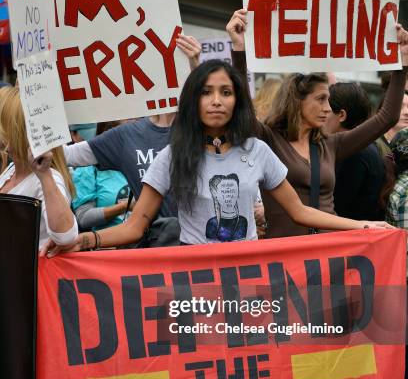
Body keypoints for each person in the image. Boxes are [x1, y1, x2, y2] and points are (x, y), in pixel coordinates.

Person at [44, 60, 390, 256]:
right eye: (207, 92)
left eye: (226, 92)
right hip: (196, 286)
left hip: (252, 283)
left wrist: (362, 225)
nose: (217, 101)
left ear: (237, 101)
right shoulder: (173, 156)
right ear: (193, 100)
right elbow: (135, 226)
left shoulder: (258, 151)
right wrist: (83, 241)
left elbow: (300, 212)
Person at [226, 8, 408, 239]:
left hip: (328, 253)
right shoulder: (269, 140)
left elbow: (387, 118)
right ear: (297, 101)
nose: (328, 108)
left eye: (329, 100)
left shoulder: (331, 145)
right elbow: (241, 110)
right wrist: (239, 50)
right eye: (321, 99)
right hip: (284, 256)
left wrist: (401, 62)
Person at [63, 34, 202, 221]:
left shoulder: (197, 127)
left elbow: (241, 126)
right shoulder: (127, 135)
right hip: (155, 243)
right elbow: (67, 156)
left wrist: (196, 67)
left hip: (200, 243)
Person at [0, 87, 77, 249]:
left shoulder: (47, 178)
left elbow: (66, 237)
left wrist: (44, 175)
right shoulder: (12, 170)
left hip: (30, 273)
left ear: (15, 131)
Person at [326, 82, 386, 220]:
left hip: (351, 235)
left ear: (341, 115)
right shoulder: (365, 146)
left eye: (326, 110)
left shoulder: (354, 152)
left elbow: (337, 205)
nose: (321, 115)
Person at [70, 121, 131, 231]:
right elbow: (83, 218)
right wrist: (124, 206)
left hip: (148, 242)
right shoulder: (87, 170)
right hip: (110, 245)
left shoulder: (139, 161)